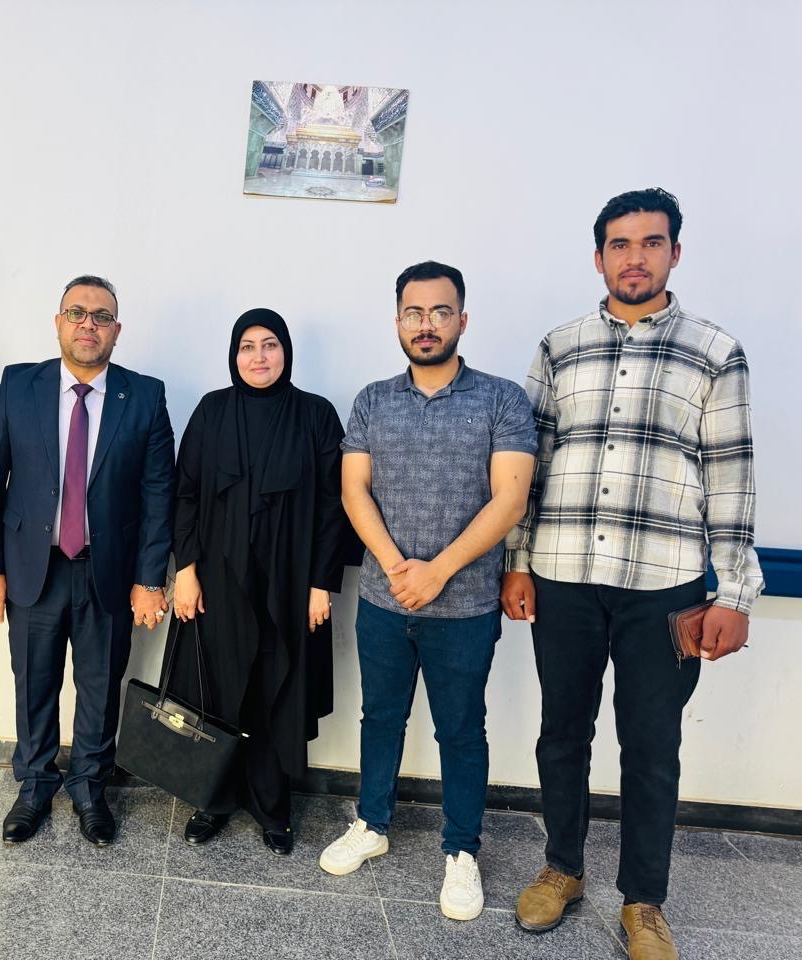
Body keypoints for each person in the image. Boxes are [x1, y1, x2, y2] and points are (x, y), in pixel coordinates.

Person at [504, 189, 762, 960]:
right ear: (599, 257)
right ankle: (562, 867)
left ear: (675, 253)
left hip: (666, 586)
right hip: (564, 577)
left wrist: (735, 591)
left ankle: (644, 901)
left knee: (652, 745)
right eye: (620, 244)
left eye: (652, 243)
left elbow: (731, 476)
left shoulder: (714, 352)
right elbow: (528, 466)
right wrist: (517, 560)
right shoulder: (560, 347)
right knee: (562, 731)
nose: (635, 257)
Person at [318, 262, 535, 921]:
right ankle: (372, 824)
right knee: (380, 718)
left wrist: (437, 571)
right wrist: (396, 567)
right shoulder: (373, 400)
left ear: (462, 320)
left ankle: (461, 850)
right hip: (384, 602)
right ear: (398, 322)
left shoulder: (501, 399)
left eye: (441, 312)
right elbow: (353, 489)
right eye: (414, 313)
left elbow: (510, 499)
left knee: (461, 730)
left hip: (464, 608)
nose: (427, 324)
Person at [0, 275, 174, 847]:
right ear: (58, 322)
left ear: (116, 330)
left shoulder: (145, 396)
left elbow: (159, 494)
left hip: (107, 572)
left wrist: (149, 580)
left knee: (100, 687)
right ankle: (35, 786)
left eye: (102, 316)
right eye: (77, 313)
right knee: (34, 683)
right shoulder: (18, 385)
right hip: (31, 569)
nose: (89, 324)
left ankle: (89, 787)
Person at [169, 308, 346, 857]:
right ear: (234, 355)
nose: (259, 356)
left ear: (286, 352)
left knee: (276, 688)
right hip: (217, 583)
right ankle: (213, 799)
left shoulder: (316, 415)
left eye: (270, 344)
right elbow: (185, 494)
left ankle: (272, 806)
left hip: (290, 585)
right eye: (248, 346)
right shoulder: (212, 410)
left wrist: (321, 583)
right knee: (218, 687)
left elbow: (334, 506)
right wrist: (184, 571)